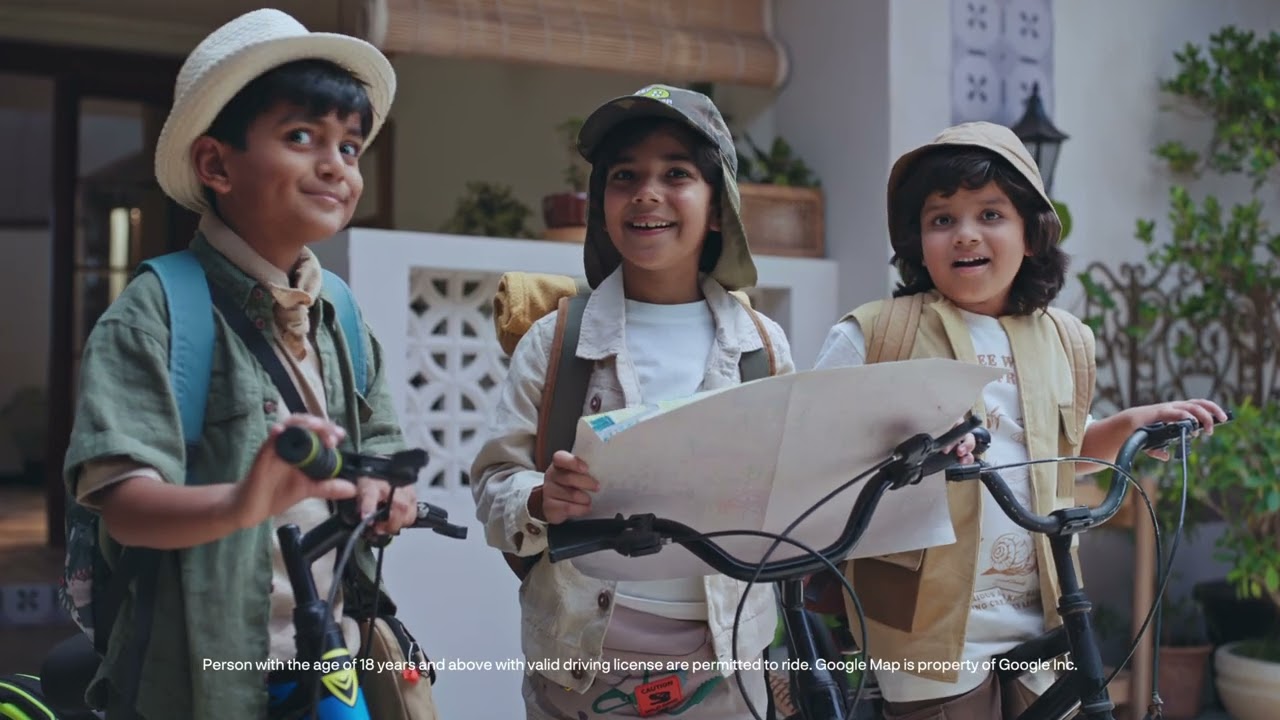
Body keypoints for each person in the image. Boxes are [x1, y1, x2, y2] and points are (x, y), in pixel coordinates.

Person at [63, 9, 416, 718]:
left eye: (350, 147)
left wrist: (385, 493)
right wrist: (242, 503)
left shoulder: (341, 315)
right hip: (197, 679)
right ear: (216, 165)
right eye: (301, 137)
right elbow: (124, 507)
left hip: (332, 657)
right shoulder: (156, 312)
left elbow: (381, 447)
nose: (336, 165)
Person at [812, 121, 1227, 719]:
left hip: (1046, 611)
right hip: (924, 623)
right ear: (917, 242)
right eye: (941, 219)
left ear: (1031, 234)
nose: (965, 234)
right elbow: (814, 456)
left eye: (990, 214)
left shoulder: (1065, 340)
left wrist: (1129, 425)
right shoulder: (878, 334)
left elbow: (1059, 456)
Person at [471, 84, 795, 718]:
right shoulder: (556, 341)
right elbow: (493, 484)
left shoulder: (760, 346)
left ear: (719, 208)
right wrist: (540, 499)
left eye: (676, 174)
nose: (647, 193)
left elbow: (794, 487)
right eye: (625, 176)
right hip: (580, 663)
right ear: (602, 206)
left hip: (727, 661)